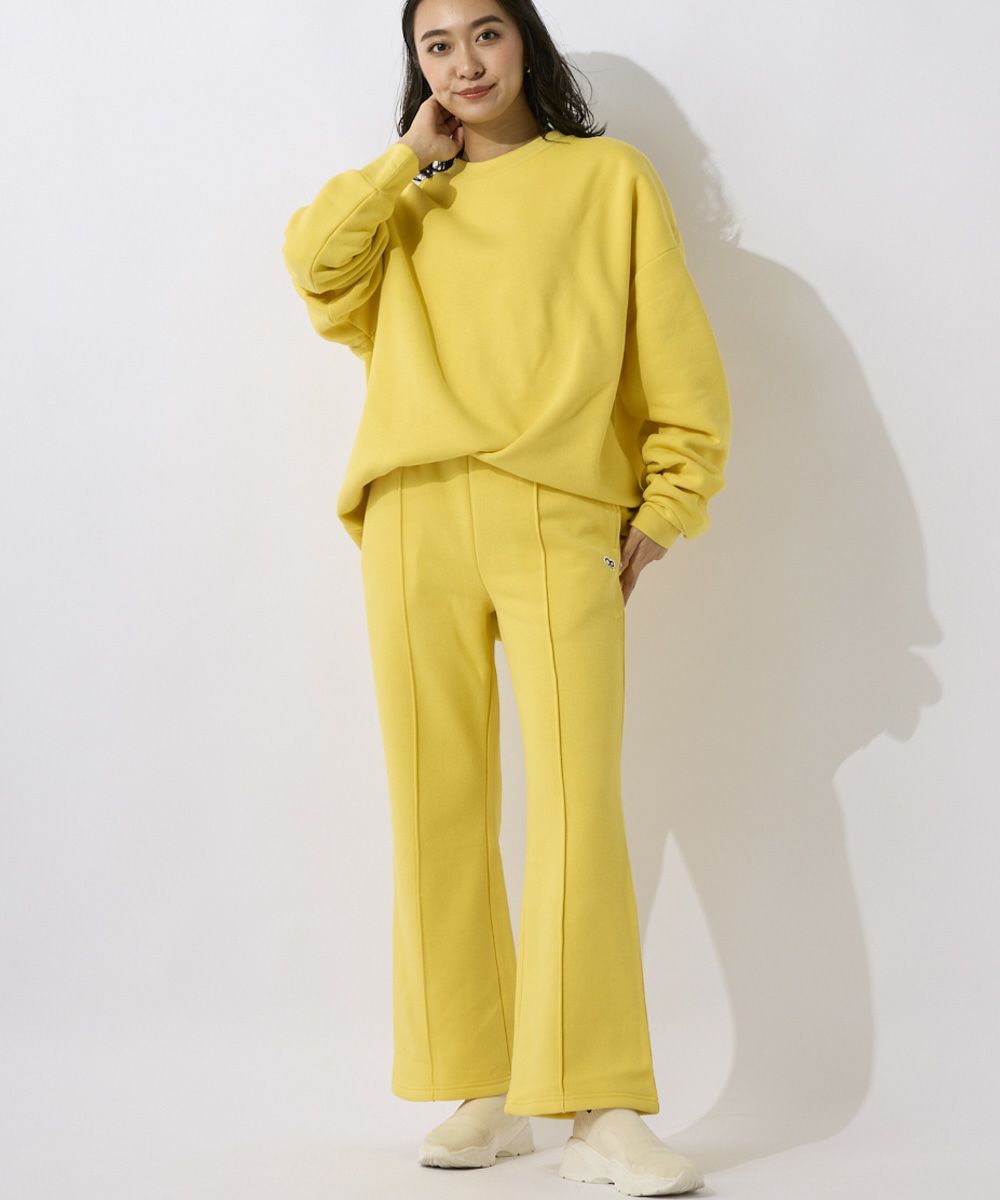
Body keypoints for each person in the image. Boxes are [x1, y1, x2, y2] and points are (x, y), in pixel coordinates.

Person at [281, 1, 730, 1194]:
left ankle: (600, 1107)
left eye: (484, 34)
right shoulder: (405, 204)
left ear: (525, 41)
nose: (464, 62)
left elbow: (677, 358)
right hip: (411, 514)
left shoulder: (607, 181)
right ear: (417, 66)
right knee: (437, 804)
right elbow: (314, 270)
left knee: (577, 803)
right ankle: (481, 1083)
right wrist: (404, 159)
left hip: (557, 511)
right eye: (435, 45)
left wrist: (667, 503)